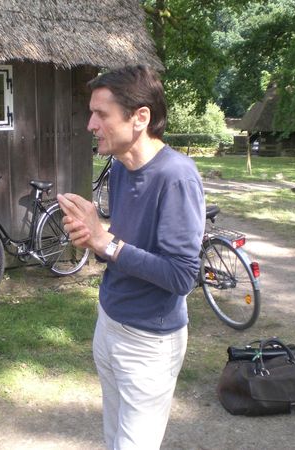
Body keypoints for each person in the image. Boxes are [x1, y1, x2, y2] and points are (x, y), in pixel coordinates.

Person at [57, 65, 205, 449]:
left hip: (150, 341)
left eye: (101, 114)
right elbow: (120, 247)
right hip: (109, 321)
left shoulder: (177, 176)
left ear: (141, 117)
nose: (91, 124)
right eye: (92, 113)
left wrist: (106, 242)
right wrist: (93, 239)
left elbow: (182, 276)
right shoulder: (120, 169)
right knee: (114, 439)